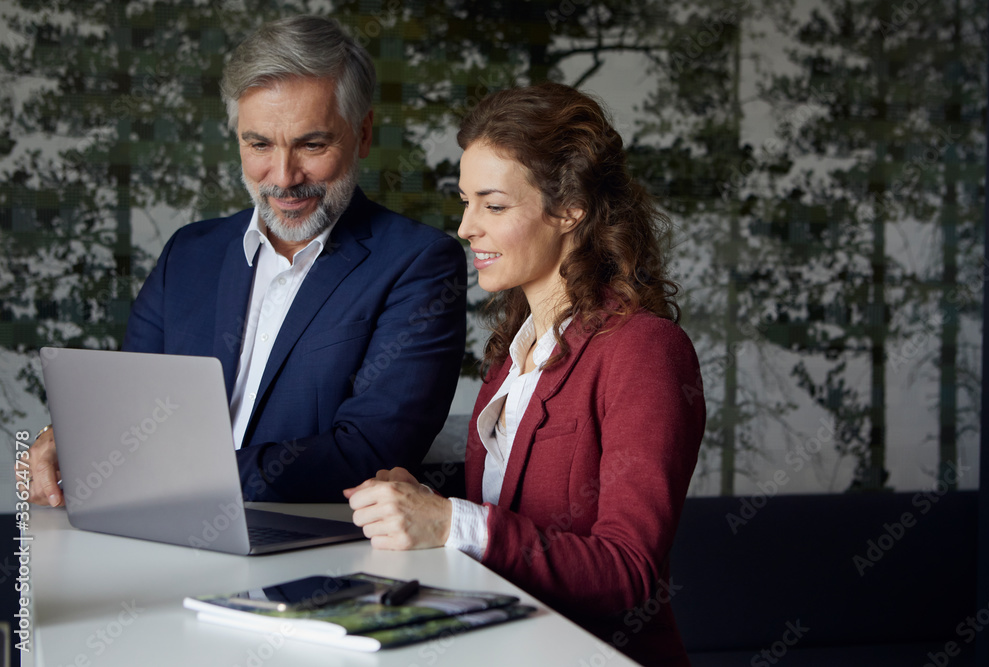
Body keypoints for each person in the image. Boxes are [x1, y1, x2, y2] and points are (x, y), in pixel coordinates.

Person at [26, 15, 467, 506]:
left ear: (362, 135)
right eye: (259, 144)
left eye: (312, 144)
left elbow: (370, 453)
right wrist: (73, 438)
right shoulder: (187, 255)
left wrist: (166, 471)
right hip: (153, 529)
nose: (283, 176)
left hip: (313, 551)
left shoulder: (418, 263)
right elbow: (133, 413)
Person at [345, 82, 706, 665]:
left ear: (569, 208)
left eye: (493, 205)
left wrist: (450, 521)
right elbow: (510, 519)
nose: (466, 227)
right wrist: (422, 502)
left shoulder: (645, 351)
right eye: (465, 202)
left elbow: (628, 571)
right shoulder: (512, 356)